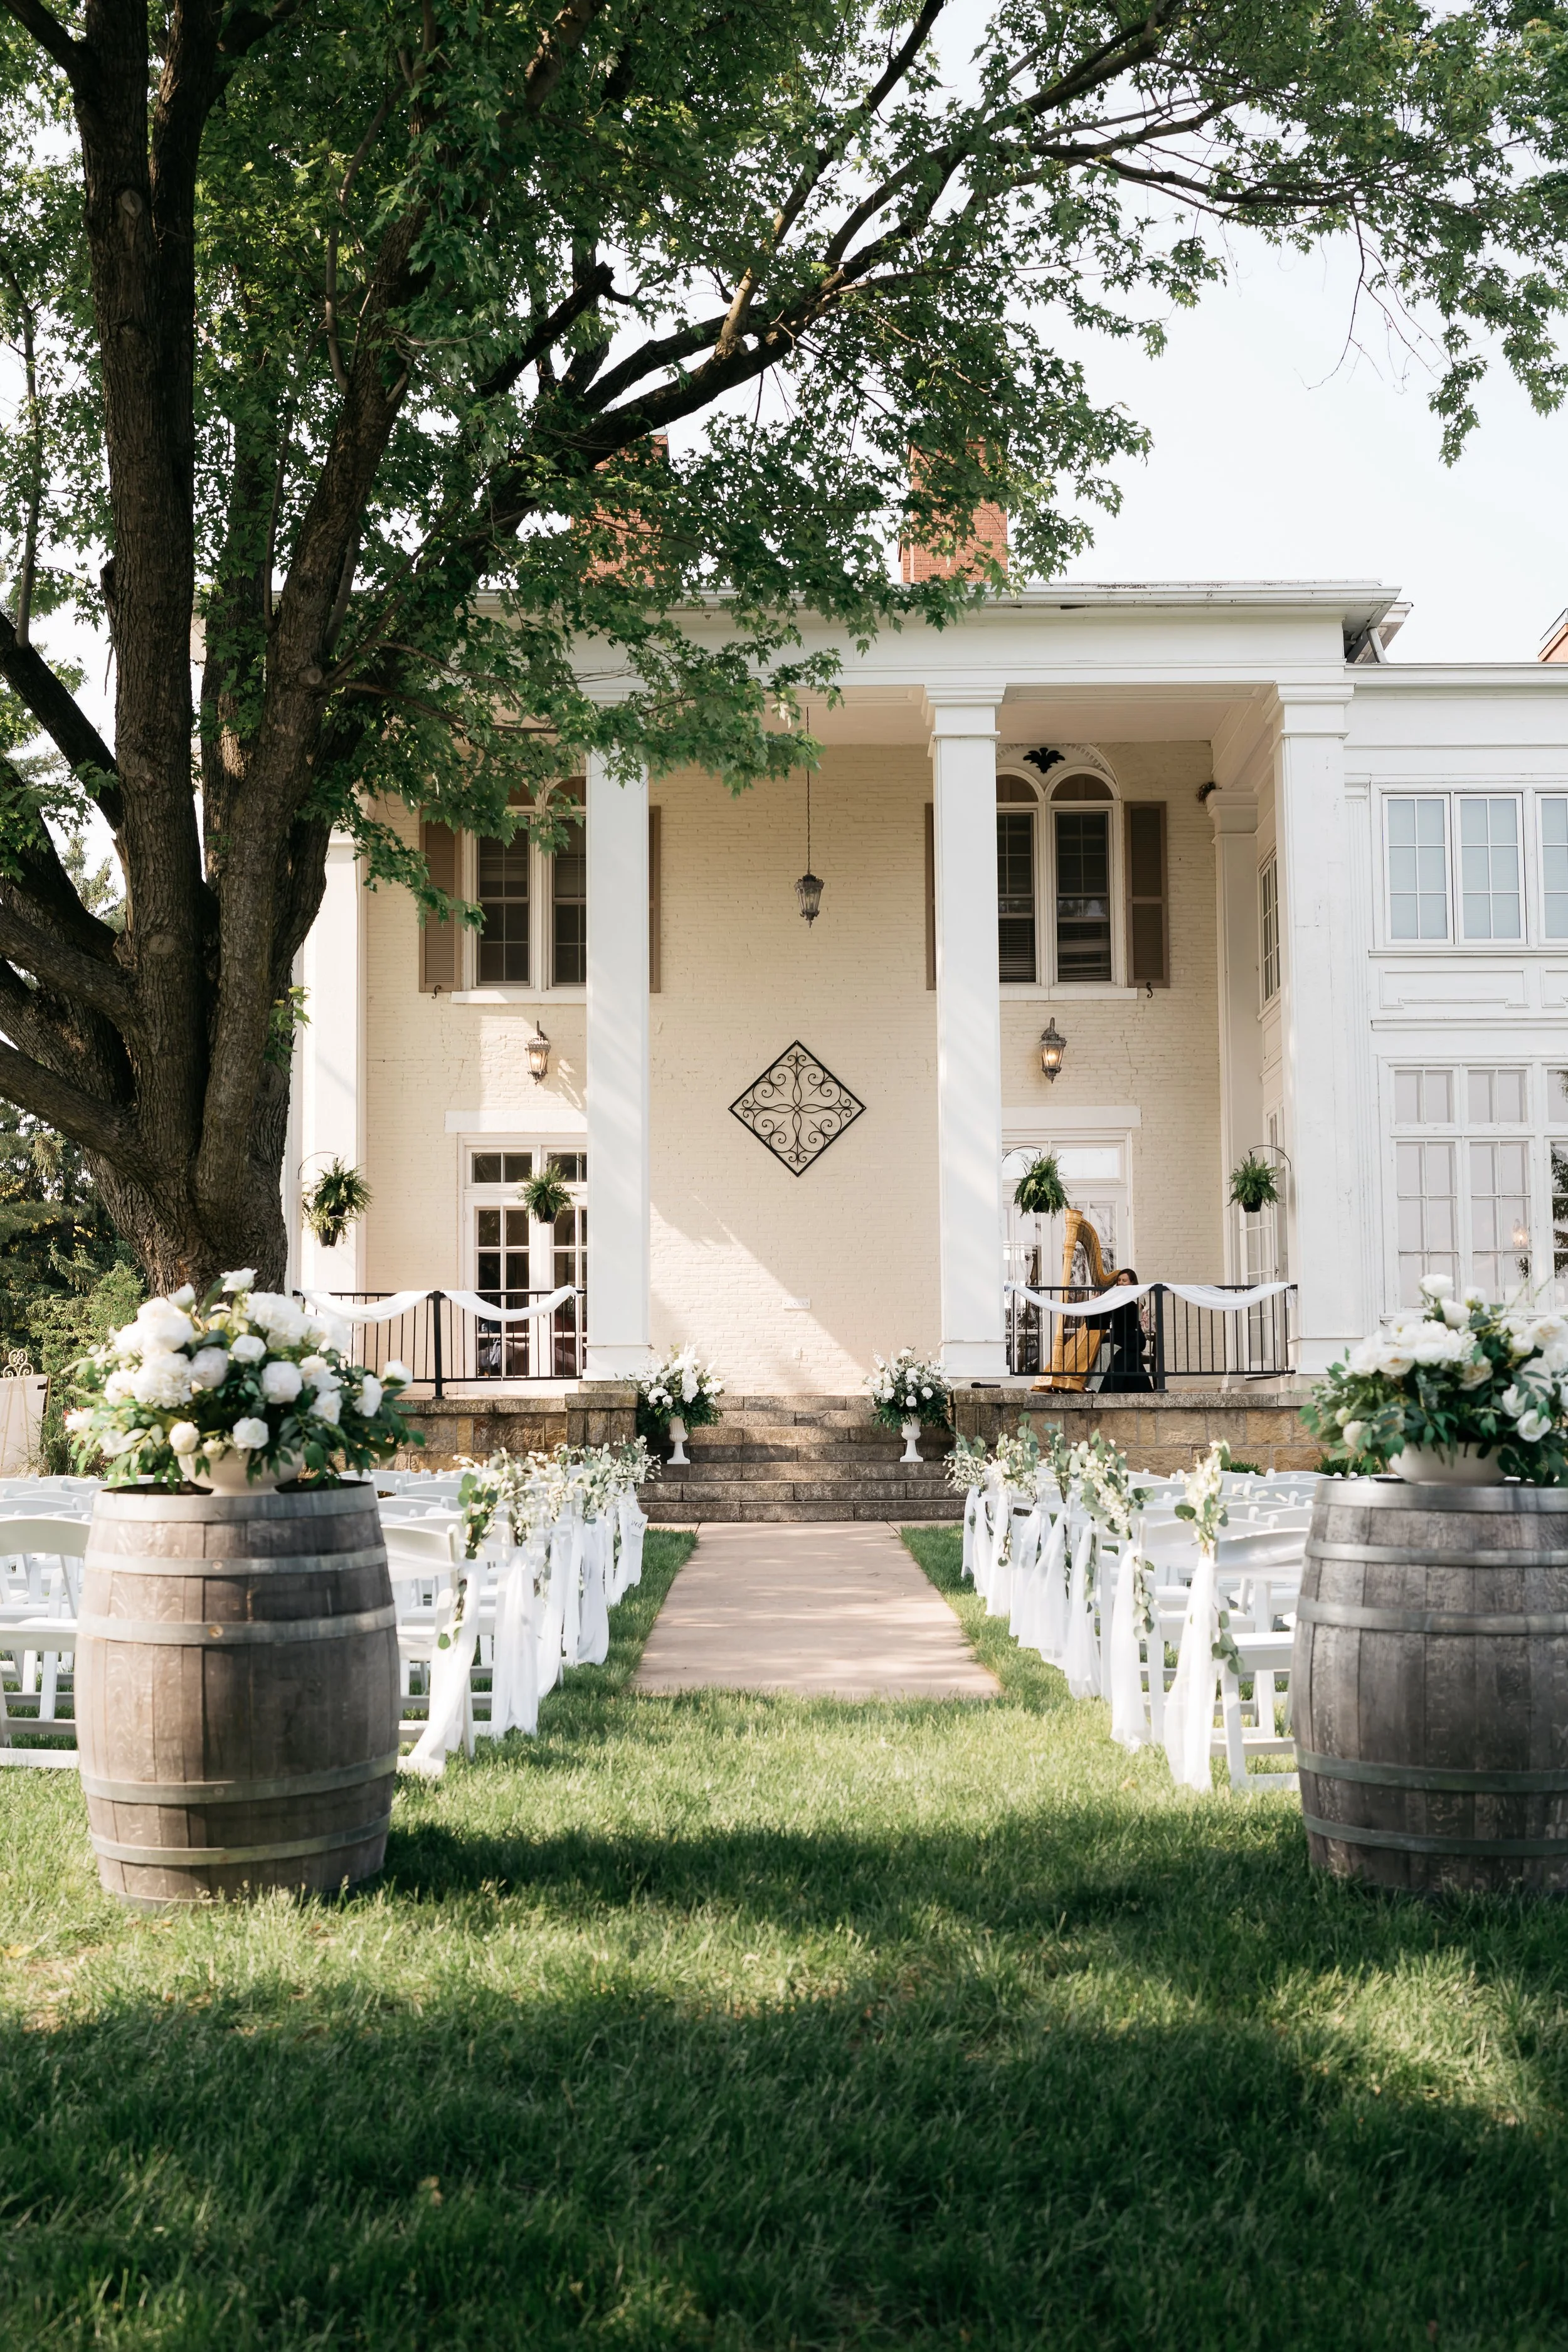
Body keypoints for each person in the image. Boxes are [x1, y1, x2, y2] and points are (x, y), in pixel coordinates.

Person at [1098, 1266, 1153, 1392]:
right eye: (1119, 1281)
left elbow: (1131, 1316)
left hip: (1133, 1337)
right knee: (1104, 1347)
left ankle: (1109, 1387)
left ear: (1132, 1283)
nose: (1120, 1283)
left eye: (1124, 1281)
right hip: (1120, 1337)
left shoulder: (1138, 1297)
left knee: (1122, 1354)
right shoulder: (1115, 1299)